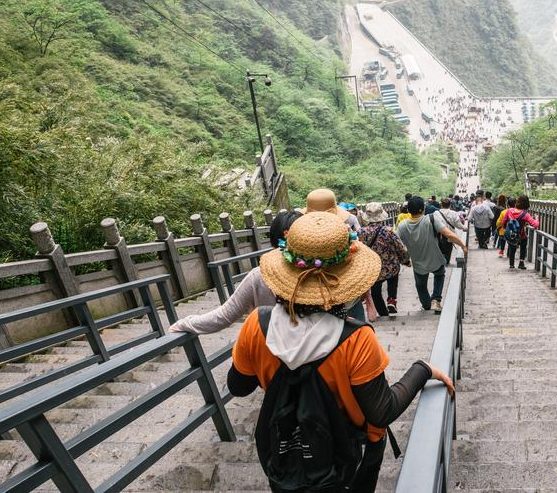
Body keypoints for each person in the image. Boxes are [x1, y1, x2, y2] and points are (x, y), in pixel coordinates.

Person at [227, 212, 455, 492]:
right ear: (346, 277)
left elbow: (238, 386)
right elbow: (382, 412)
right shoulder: (356, 338)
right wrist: (423, 369)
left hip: (284, 451)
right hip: (344, 460)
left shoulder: (257, 324)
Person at [169, 209, 301, 334]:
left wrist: (185, 323)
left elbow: (224, 316)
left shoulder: (259, 275)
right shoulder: (318, 273)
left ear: (273, 240)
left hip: (270, 349)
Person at [396, 196, 468, 313]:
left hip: (418, 262)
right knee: (439, 275)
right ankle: (436, 300)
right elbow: (449, 234)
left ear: (408, 210)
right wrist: (462, 246)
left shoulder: (402, 225)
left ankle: (426, 305)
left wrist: (404, 260)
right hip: (435, 258)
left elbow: (397, 244)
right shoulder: (430, 219)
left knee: (421, 285)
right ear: (422, 209)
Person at [359, 202, 408, 317]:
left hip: (373, 268)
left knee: (376, 291)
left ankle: (383, 313)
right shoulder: (388, 230)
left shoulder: (361, 232)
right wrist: (405, 260)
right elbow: (400, 247)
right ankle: (391, 300)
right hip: (390, 265)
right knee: (393, 277)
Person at [498, 195, 540, 270]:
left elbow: (503, 222)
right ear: (527, 204)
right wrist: (536, 219)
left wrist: (506, 228)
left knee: (512, 247)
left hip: (511, 234)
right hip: (521, 235)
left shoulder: (509, 211)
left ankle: (511, 264)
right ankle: (521, 263)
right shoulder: (525, 214)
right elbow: (535, 224)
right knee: (523, 244)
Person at [436, 198, 468, 264]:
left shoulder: (436, 213)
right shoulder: (453, 213)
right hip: (450, 236)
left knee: (439, 249)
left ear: (441, 205)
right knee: (448, 250)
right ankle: (446, 262)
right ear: (450, 205)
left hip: (439, 235)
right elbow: (458, 225)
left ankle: (441, 262)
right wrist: (464, 228)